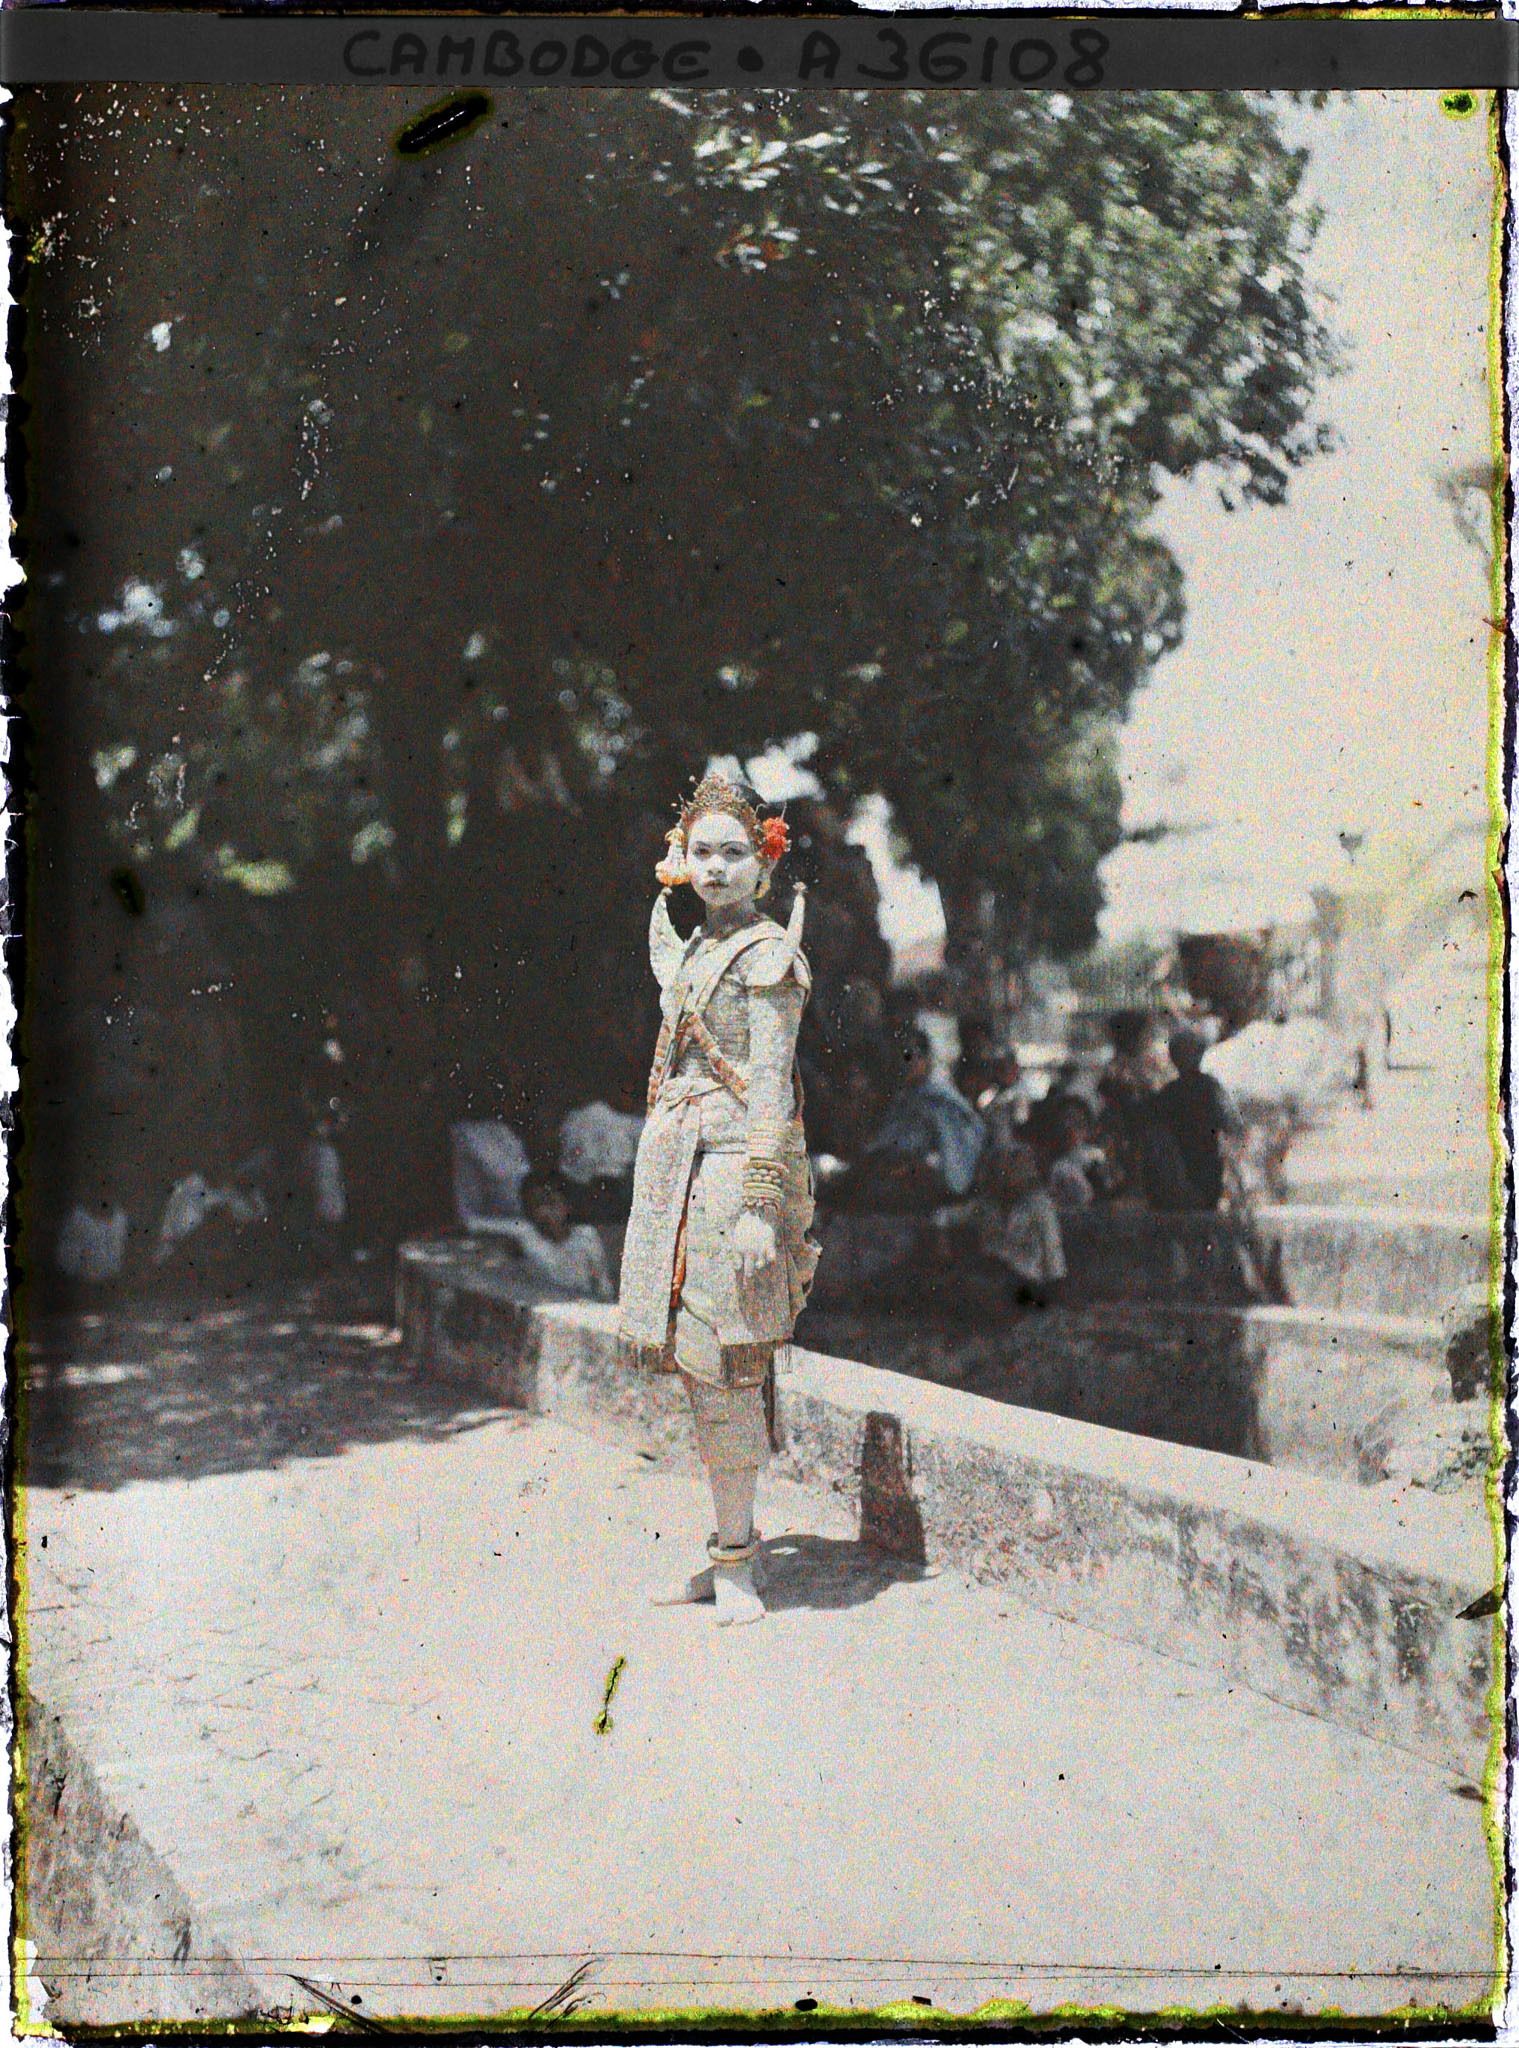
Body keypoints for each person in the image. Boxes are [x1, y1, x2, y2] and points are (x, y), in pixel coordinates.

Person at [617, 772, 820, 1627]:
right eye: (701, 852)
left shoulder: (769, 956)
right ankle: (730, 1547)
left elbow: (770, 1083)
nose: (715, 867)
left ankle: (735, 1564)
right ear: (680, 860)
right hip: (677, 1170)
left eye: (733, 853)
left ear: (763, 868)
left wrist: (759, 1205)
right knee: (699, 1372)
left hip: (736, 1172)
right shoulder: (698, 948)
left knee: (730, 1362)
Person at [864, 1027, 986, 1203]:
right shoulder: (904, 1097)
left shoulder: (942, 1101)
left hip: (935, 1191)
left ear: (926, 1059)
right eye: (903, 1057)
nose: (907, 1064)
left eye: (913, 1056)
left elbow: (956, 1167)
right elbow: (886, 1140)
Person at [1149, 1026, 1246, 1212]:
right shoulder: (1210, 1088)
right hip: (1203, 1171)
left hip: (1182, 1174)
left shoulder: (1168, 1093)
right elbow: (1233, 1124)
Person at [478, 1170, 614, 1299]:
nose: (545, 1211)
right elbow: (481, 1225)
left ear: (567, 1205)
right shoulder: (525, 1235)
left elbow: (603, 1283)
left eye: (551, 1203)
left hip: (586, 1306)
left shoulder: (587, 1235)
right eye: (537, 1205)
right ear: (529, 1211)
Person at [974, 1141, 1066, 1307]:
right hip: (992, 1269)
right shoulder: (987, 1205)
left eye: (1009, 1169)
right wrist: (940, 1233)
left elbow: (1051, 1246)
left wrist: (1055, 1284)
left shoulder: (1039, 1205)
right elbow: (949, 1215)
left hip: (1025, 1274)